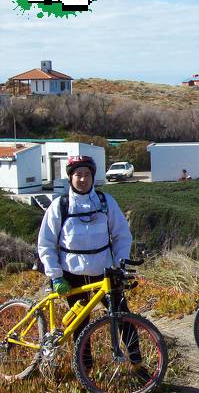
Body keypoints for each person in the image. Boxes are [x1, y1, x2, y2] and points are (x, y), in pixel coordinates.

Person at [37, 155, 140, 369]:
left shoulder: (106, 202)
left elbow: (122, 234)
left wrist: (120, 265)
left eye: (86, 174)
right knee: (79, 325)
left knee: (123, 317)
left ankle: (138, 364)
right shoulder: (60, 206)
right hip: (72, 274)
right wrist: (56, 276)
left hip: (105, 272)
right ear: (70, 178)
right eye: (77, 175)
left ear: (92, 177)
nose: (82, 179)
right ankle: (85, 370)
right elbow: (46, 242)